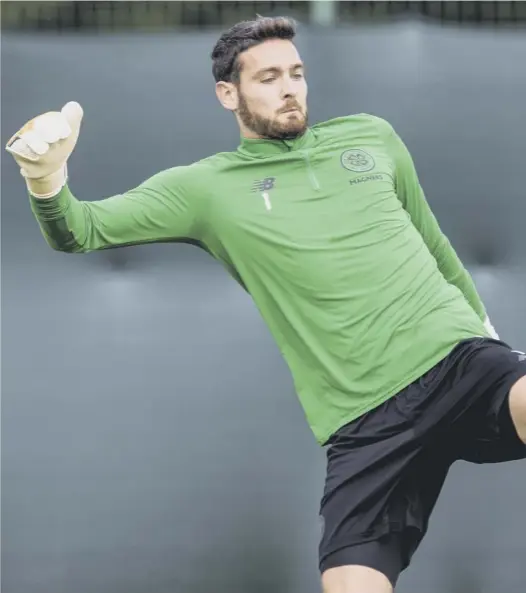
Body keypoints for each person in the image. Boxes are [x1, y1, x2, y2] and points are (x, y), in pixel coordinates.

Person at [5, 15, 526, 593]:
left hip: (458, 362)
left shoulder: (371, 136)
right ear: (229, 94)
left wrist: (487, 334)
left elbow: (433, 244)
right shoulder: (205, 188)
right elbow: (79, 229)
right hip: (364, 425)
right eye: (269, 77)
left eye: (297, 74)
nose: (289, 88)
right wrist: (45, 178)